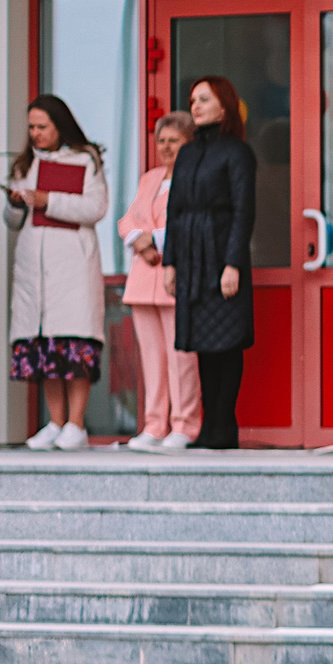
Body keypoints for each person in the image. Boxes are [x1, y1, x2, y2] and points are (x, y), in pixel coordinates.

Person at [4, 95, 111, 449]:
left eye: (42, 127)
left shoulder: (85, 159)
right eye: (31, 127)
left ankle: (76, 425)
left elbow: (96, 208)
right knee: (45, 344)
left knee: (73, 343)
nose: (35, 134)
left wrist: (47, 199)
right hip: (34, 267)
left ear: (59, 126)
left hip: (73, 266)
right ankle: (56, 421)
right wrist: (15, 201)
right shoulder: (25, 164)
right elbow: (12, 222)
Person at [165, 76, 257, 450]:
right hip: (191, 258)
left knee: (227, 343)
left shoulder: (237, 153)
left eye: (204, 99)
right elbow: (175, 209)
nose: (196, 106)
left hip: (221, 253)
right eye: (193, 100)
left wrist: (232, 263)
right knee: (203, 343)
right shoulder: (186, 153)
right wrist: (170, 262)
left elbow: (243, 211)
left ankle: (224, 424)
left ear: (225, 105)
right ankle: (208, 426)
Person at [118, 112, 200, 452]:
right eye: (161, 140)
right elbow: (128, 219)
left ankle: (185, 423)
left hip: (174, 272)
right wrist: (137, 239)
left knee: (181, 356)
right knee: (151, 357)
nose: (166, 147)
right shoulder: (149, 178)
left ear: (189, 144)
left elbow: (190, 221)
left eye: (174, 141)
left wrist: (154, 242)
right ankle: (154, 423)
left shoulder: (194, 176)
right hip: (143, 277)